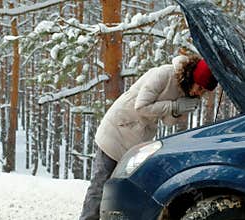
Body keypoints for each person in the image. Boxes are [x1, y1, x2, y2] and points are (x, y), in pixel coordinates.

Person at [79, 54, 218, 220]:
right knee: (100, 184)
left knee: (123, 188)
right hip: (117, 128)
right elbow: (142, 107)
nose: (198, 92)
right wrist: (174, 106)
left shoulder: (185, 90)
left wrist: (180, 110)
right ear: (193, 77)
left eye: (203, 91)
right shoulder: (164, 74)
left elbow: (167, 121)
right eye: (200, 87)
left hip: (137, 140)